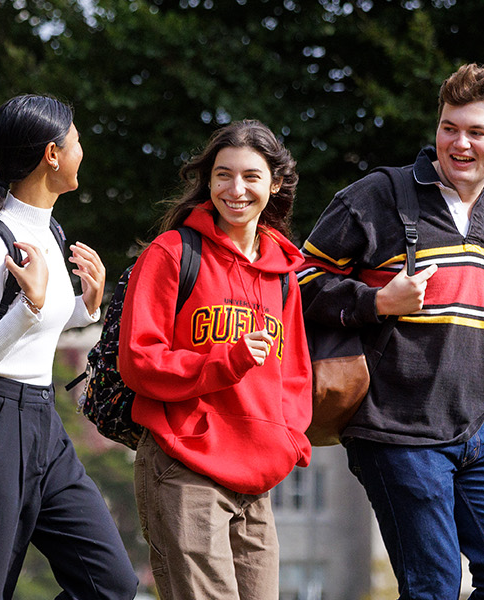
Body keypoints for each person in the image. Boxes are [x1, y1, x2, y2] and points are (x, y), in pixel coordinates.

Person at [297, 64, 484, 599]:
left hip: (482, 429)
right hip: (395, 430)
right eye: (449, 127)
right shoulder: (378, 196)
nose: (459, 143)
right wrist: (377, 301)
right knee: (432, 587)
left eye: (477, 132)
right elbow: (299, 281)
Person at [0, 93, 137, 600]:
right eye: (77, 140)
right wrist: (30, 308)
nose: (83, 150)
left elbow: (35, 331)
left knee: (111, 585)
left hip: (42, 420)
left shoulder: (51, 231)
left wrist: (84, 308)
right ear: (52, 154)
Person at [117, 120, 312, 600]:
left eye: (251, 176)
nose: (236, 189)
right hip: (185, 467)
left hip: (257, 480)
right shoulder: (171, 254)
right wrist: (224, 362)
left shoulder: (284, 274)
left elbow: (295, 373)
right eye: (223, 175)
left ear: (276, 184)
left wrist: (289, 439)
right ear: (207, 181)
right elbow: (139, 360)